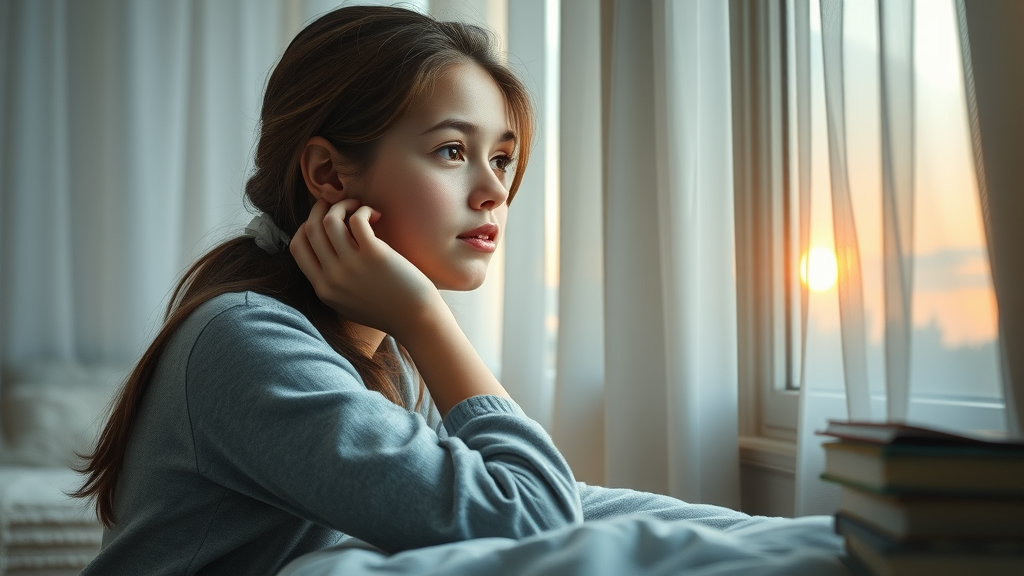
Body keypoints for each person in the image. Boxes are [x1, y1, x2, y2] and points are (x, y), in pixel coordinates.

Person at [74, 6, 781, 575]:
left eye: (502, 158)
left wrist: (766, 536)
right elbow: (533, 521)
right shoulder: (247, 342)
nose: (495, 189)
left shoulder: (371, 352)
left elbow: (550, 498)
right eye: (452, 150)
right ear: (328, 175)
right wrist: (425, 316)